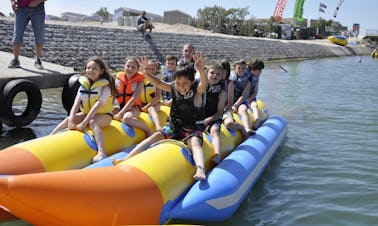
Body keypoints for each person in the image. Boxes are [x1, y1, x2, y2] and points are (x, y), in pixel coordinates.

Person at [113, 52, 208, 180]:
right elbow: (158, 83)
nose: (181, 87)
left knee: (195, 142)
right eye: (178, 83)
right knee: (156, 136)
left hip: (191, 128)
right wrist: (146, 73)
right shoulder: (174, 88)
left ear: (192, 81)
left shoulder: (196, 91)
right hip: (175, 126)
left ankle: (201, 169)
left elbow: (204, 85)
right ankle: (127, 158)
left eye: (185, 83)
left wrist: (201, 71)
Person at [50, 56, 117, 163]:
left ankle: (101, 152)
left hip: (104, 116)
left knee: (92, 122)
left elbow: (97, 106)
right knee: (69, 119)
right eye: (88, 68)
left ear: (101, 71)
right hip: (87, 114)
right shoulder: (83, 86)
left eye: (94, 68)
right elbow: (76, 104)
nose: (91, 70)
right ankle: (50, 137)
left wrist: (84, 123)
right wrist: (71, 120)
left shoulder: (106, 87)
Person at [113, 57, 153, 137]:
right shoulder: (118, 79)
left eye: (133, 67)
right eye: (128, 66)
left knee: (127, 118)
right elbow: (113, 95)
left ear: (137, 69)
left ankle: (148, 130)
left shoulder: (140, 82)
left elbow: (133, 98)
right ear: (124, 66)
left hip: (134, 108)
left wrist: (121, 113)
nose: (130, 69)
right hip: (120, 106)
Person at [8, 0, 46, 69]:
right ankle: (15, 60)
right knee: (17, 33)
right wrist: (12, 1)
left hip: (38, 8)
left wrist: (38, 1)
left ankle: (38, 60)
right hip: (21, 8)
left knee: (39, 35)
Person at [219, 59, 248, 140]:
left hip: (226, 109)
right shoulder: (214, 81)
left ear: (227, 72)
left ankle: (241, 127)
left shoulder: (229, 83)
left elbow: (230, 101)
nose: (219, 74)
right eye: (218, 71)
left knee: (229, 124)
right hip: (214, 110)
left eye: (222, 71)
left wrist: (222, 111)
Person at [204, 63, 226, 164]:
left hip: (214, 117)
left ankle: (217, 154)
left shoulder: (221, 91)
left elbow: (220, 112)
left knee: (215, 131)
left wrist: (209, 119)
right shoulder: (200, 86)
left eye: (218, 74)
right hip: (199, 117)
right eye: (212, 73)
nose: (214, 76)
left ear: (221, 76)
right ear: (206, 73)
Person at [229, 60, 255, 135]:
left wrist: (236, 105)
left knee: (243, 110)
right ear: (234, 69)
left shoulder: (248, 79)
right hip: (231, 100)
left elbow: (244, 95)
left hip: (242, 101)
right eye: (239, 68)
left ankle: (247, 129)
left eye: (243, 68)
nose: (241, 70)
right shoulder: (231, 78)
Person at [140, 59, 163, 131]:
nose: (150, 71)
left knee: (151, 109)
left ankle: (158, 127)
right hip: (143, 103)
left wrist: (147, 106)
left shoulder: (157, 81)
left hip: (155, 103)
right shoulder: (142, 79)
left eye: (153, 69)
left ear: (157, 70)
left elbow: (158, 97)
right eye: (148, 69)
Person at [247, 59, 265, 129]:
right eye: (260, 70)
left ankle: (257, 121)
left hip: (250, 97)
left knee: (254, 105)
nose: (261, 72)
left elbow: (255, 92)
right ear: (254, 69)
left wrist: (248, 100)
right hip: (239, 98)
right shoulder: (244, 74)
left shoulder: (256, 77)